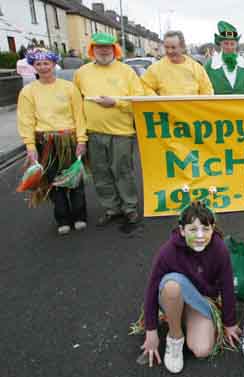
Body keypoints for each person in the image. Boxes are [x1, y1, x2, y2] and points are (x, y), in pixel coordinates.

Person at [141, 201, 240, 373]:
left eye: (205, 229)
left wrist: (229, 322)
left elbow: (226, 285)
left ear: (213, 228)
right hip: (173, 295)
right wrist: (151, 330)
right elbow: (152, 289)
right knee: (172, 285)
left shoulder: (219, 249)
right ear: (182, 230)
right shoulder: (168, 251)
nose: (200, 235)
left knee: (202, 350)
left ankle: (182, 319)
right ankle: (175, 337)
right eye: (193, 230)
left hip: (200, 301)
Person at [74, 32, 144, 231]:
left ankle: (129, 207)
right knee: (101, 173)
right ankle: (111, 208)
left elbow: (138, 101)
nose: (103, 51)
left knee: (123, 172)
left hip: (121, 132)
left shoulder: (127, 72)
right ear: (92, 50)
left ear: (114, 49)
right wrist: (81, 135)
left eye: (107, 47)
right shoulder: (82, 73)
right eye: (98, 47)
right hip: (94, 132)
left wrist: (116, 103)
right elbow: (76, 104)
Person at [17, 48, 87, 235]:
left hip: (69, 140)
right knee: (54, 182)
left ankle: (80, 216)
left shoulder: (69, 87)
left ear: (53, 65)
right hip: (46, 142)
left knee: (74, 179)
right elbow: (26, 120)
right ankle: (62, 218)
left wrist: (82, 140)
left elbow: (79, 115)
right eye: (38, 64)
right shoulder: (28, 91)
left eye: (46, 63)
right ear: (33, 67)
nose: (43, 67)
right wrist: (30, 147)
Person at [141, 30, 214, 96]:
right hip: (166, 110)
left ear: (182, 47)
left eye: (173, 47)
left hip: (191, 110)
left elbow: (207, 91)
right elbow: (144, 86)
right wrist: (155, 100)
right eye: (167, 47)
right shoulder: (156, 68)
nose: (170, 51)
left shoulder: (196, 68)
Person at [205, 21, 244, 95]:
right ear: (220, 44)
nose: (229, 47)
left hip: (241, 106)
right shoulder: (210, 65)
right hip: (217, 106)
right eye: (226, 43)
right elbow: (204, 90)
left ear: (236, 45)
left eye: (232, 44)